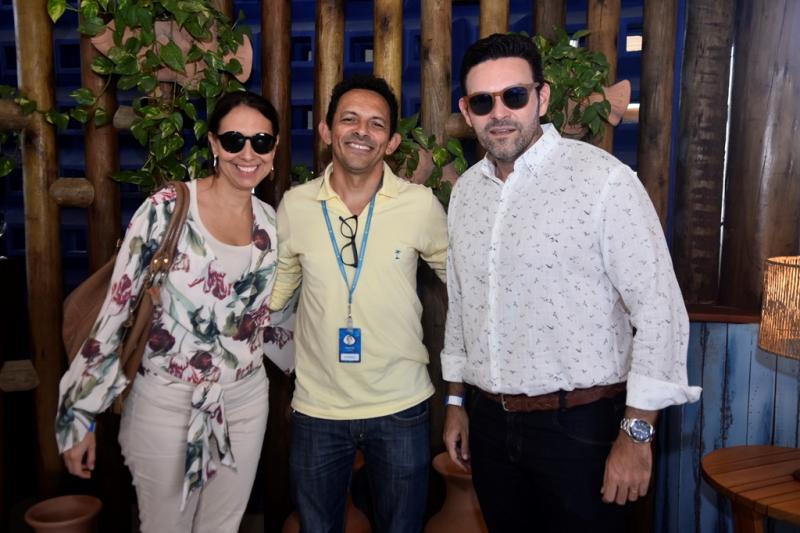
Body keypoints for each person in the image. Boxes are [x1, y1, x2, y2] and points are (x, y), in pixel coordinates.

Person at [441, 33, 702, 533]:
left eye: (514, 95)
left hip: (581, 428)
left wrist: (637, 434)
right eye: (483, 101)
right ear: (467, 111)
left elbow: (659, 310)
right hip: (489, 424)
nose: (500, 113)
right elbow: (462, 303)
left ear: (541, 97)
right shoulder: (466, 193)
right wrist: (456, 403)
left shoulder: (604, 181)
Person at [56, 90, 283, 533]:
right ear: (214, 143)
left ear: (273, 149)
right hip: (166, 402)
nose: (247, 153)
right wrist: (78, 416)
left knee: (222, 527)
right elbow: (116, 309)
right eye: (234, 140)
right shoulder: (168, 208)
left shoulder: (271, 224)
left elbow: (269, 321)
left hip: (244, 402)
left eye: (261, 141)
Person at [269, 74, 448, 532]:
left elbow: (465, 284)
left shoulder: (420, 205)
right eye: (349, 119)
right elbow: (275, 295)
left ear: (391, 142)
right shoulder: (295, 205)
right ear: (326, 130)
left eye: (376, 123)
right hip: (317, 408)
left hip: (402, 404)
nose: (361, 131)